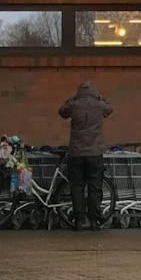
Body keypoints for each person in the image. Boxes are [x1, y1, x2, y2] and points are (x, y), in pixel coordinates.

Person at [58, 82, 113, 230]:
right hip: (95, 153)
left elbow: (62, 111)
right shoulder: (99, 104)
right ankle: (94, 221)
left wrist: (72, 99)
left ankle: (79, 221)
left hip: (76, 153)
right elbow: (109, 109)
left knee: (77, 187)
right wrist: (100, 98)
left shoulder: (74, 104)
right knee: (95, 187)